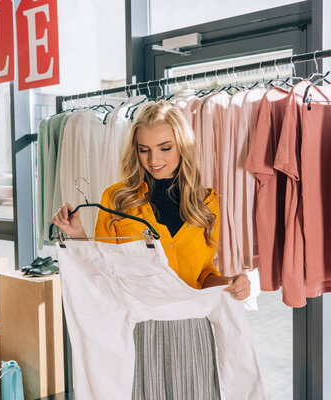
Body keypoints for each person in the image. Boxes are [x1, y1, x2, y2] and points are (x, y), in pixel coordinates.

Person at [52, 101, 250, 399]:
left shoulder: (206, 202)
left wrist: (230, 283)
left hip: (192, 330)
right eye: (143, 149)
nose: (153, 159)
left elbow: (204, 274)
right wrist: (77, 235)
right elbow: (102, 273)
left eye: (164, 148)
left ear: (182, 146)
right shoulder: (116, 200)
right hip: (139, 330)